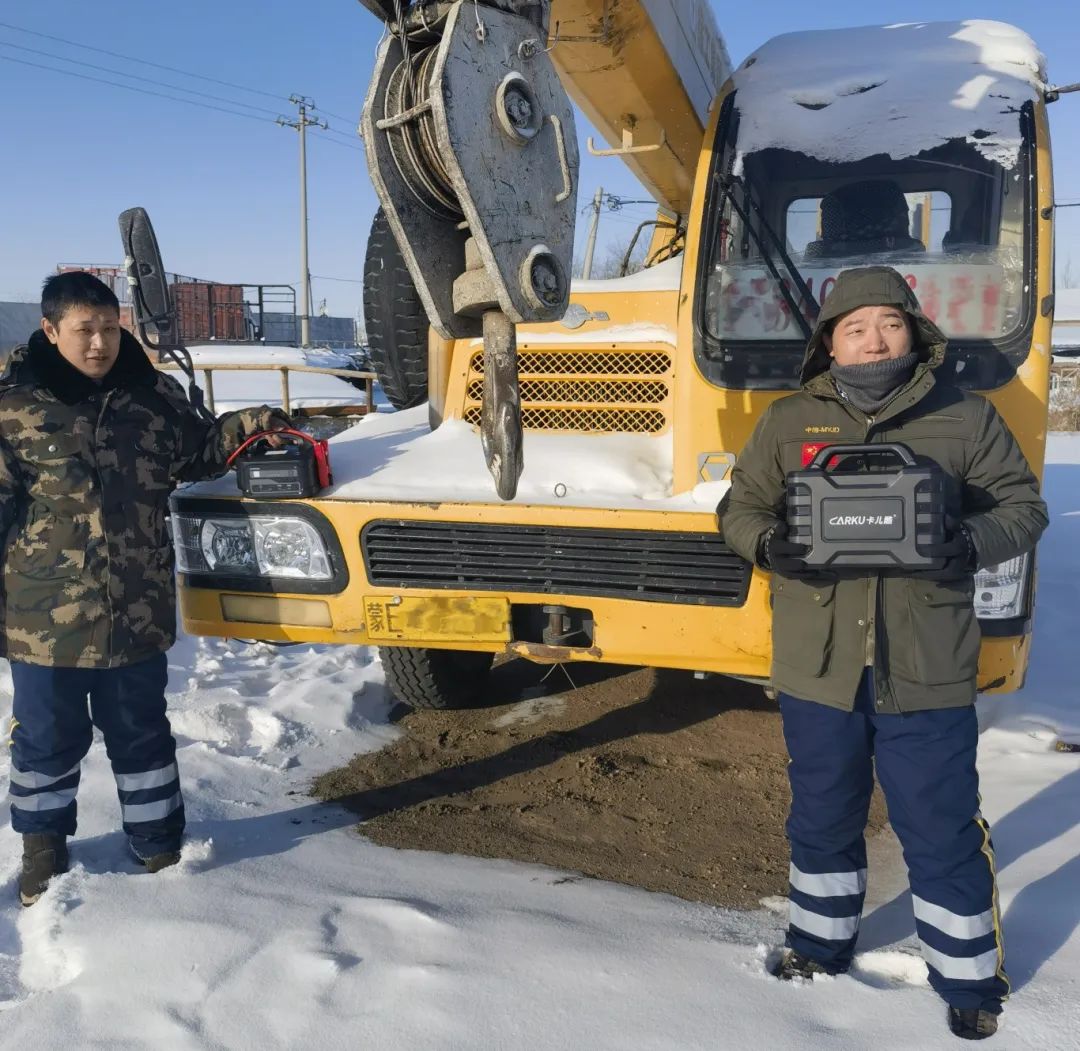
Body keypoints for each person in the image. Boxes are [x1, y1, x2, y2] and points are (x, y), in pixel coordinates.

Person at [718, 266, 1047, 1041]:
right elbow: (739, 508)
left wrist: (966, 542)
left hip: (925, 664)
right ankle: (817, 941)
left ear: (914, 332)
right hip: (817, 664)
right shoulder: (788, 420)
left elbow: (1024, 507)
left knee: (937, 821)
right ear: (829, 340)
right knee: (822, 814)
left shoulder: (963, 417)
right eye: (855, 325)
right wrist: (770, 546)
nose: (875, 338)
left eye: (890, 323)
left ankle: (967, 976)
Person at [0, 271, 291, 905]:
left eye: (109, 328)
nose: (100, 343)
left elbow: (196, 451)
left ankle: (157, 839)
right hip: (42, 616)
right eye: (85, 331)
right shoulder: (14, 405)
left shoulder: (150, 396)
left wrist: (250, 425)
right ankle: (42, 845)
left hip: (136, 607)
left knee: (142, 730)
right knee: (46, 738)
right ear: (51, 332)